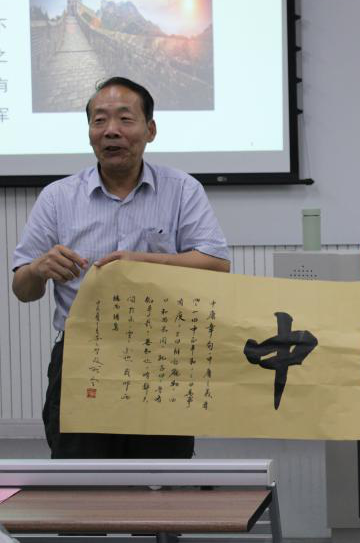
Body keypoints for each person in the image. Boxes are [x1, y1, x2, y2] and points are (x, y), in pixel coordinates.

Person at [11, 77, 230, 458]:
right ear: (90, 133)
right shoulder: (57, 197)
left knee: (161, 478)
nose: (111, 130)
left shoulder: (182, 190)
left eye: (125, 119)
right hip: (82, 358)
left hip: (160, 355)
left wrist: (142, 261)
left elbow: (215, 265)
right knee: (81, 477)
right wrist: (39, 269)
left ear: (150, 130)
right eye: (99, 120)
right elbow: (22, 290)